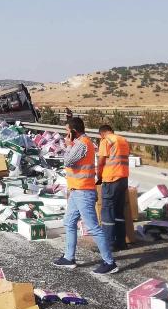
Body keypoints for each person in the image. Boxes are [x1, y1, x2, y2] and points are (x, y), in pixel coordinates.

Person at [53, 117, 118, 275]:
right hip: (77, 191)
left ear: (74, 132)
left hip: (83, 192)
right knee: (69, 222)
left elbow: (68, 161)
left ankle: (110, 262)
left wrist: (68, 147)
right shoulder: (80, 143)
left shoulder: (82, 144)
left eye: (67, 132)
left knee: (93, 227)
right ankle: (69, 258)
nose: (66, 135)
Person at [97, 125, 130, 251]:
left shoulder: (106, 141)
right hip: (123, 179)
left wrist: (99, 176)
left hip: (111, 180)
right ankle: (121, 242)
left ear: (102, 134)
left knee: (107, 212)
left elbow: (101, 161)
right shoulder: (123, 140)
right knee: (118, 212)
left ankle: (108, 244)